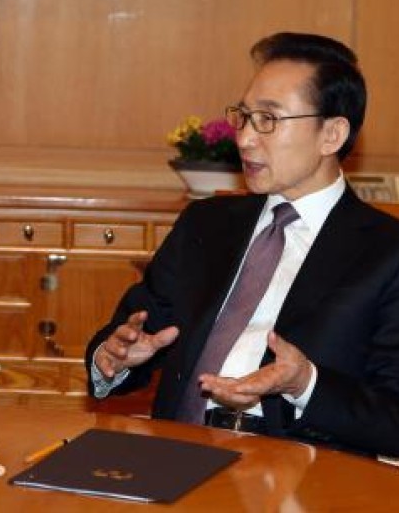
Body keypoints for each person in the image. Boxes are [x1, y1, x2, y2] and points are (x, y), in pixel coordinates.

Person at [87, 32, 399, 457]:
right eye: (244, 116)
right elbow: (132, 329)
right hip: (176, 459)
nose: (245, 139)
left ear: (332, 135)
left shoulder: (385, 253)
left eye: (268, 120)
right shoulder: (206, 224)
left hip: (301, 477)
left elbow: (392, 417)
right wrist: (112, 357)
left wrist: (304, 382)